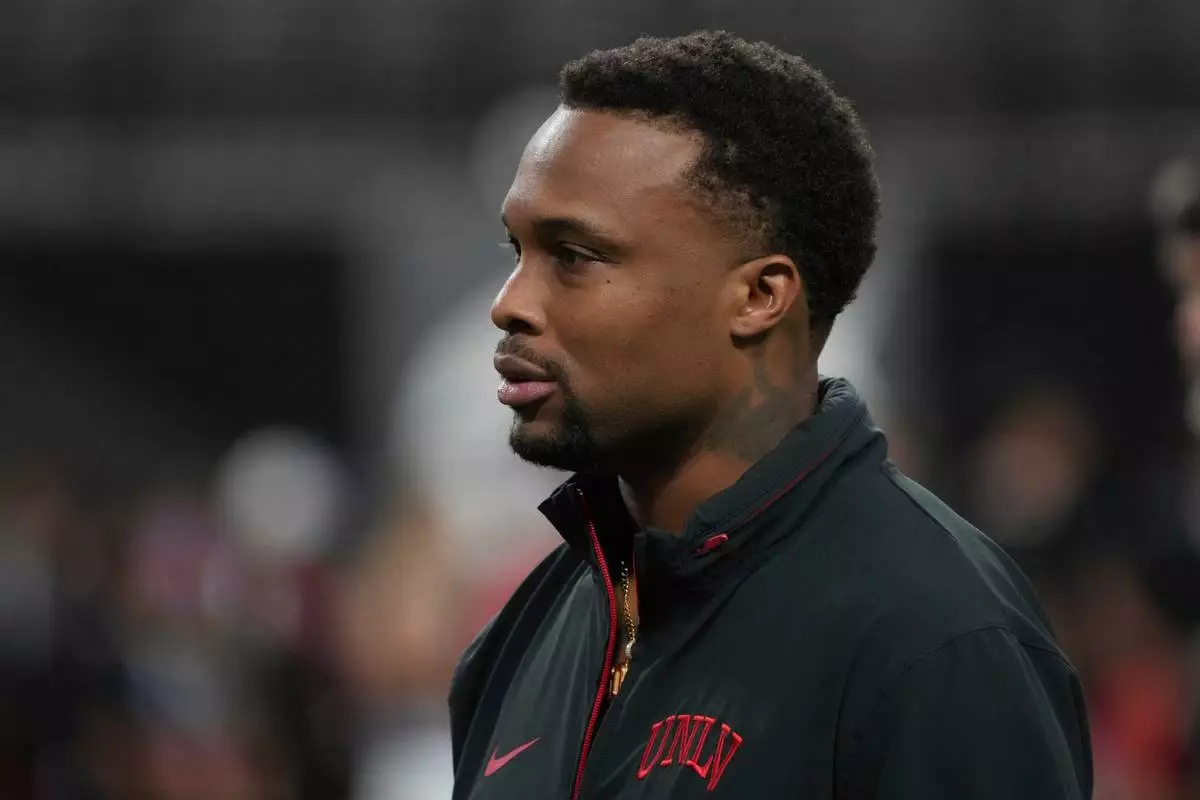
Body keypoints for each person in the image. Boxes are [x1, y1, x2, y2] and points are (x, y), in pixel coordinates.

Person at [449, 30, 1092, 799]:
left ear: (760, 296)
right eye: (514, 251)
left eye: (574, 256)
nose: (509, 304)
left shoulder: (938, 637)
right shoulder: (524, 634)